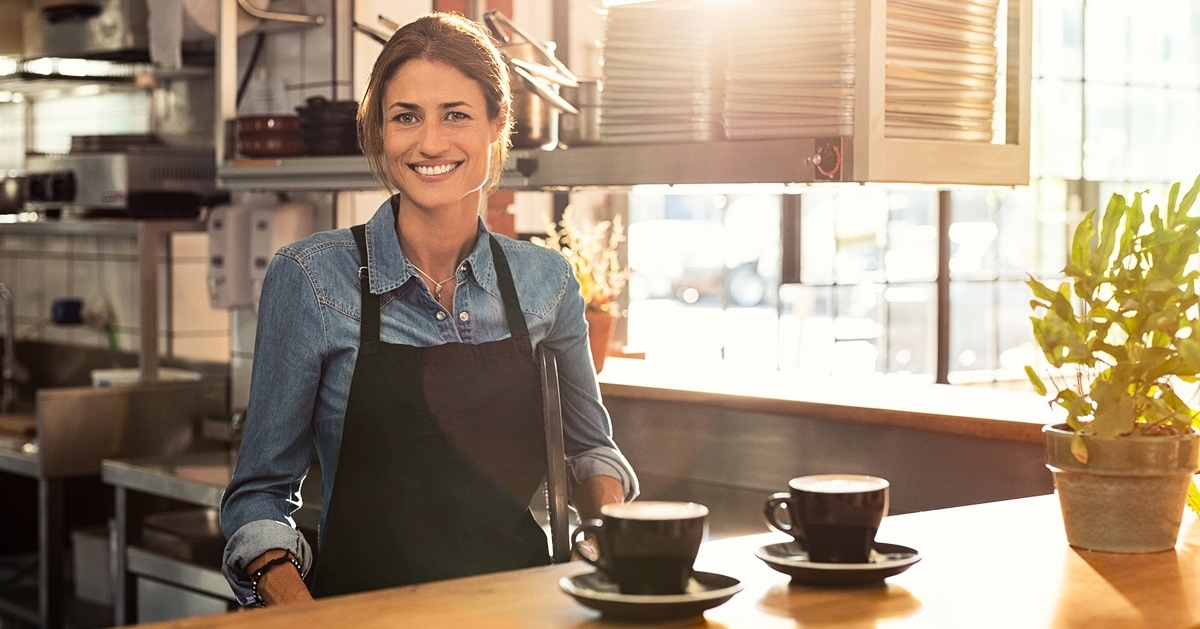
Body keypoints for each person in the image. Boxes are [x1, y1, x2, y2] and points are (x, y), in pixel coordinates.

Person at [219, 12, 639, 606]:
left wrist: (600, 538)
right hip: (360, 616)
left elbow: (593, 451)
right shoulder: (311, 279)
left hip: (520, 610)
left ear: (497, 124)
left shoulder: (546, 282)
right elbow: (258, 493)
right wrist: (301, 614)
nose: (431, 142)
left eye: (456, 115)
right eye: (406, 117)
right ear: (378, 132)